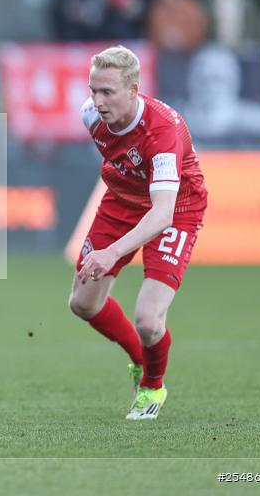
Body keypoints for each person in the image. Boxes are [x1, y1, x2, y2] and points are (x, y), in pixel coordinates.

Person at [69, 46, 207, 420]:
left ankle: (152, 387)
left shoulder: (162, 132)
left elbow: (162, 213)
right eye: (93, 90)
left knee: (148, 318)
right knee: (82, 303)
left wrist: (111, 253)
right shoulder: (89, 115)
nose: (96, 101)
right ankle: (137, 358)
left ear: (133, 89)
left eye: (107, 92)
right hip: (122, 202)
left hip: (175, 209)